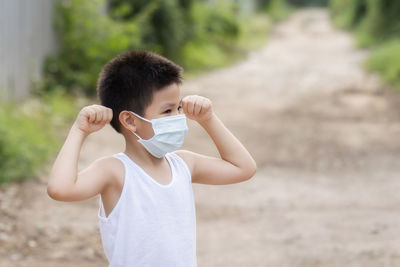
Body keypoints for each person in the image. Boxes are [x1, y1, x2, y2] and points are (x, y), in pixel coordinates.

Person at [47, 50, 257, 267]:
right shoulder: (115, 171)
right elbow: (60, 189)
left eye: (178, 108)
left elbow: (243, 168)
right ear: (130, 120)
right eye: (167, 111)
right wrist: (79, 131)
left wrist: (208, 119)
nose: (177, 118)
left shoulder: (184, 164)